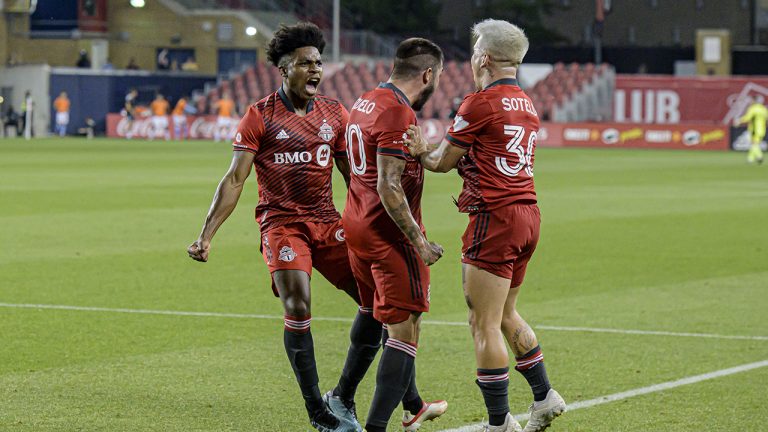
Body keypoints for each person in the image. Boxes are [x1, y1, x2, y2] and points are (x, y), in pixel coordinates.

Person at [187, 22, 361, 432]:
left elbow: (353, 175)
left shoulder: (336, 113)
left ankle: (354, 396)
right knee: (297, 303)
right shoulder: (260, 115)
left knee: (378, 301)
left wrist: (380, 222)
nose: (315, 70)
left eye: (319, 62)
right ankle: (316, 409)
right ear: (284, 70)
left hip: (327, 222)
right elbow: (234, 180)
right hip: (282, 225)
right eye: (305, 63)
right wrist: (206, 235)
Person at [404, 19, 566, 432]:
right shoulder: (526, 103)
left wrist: (420, 150)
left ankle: (499, 423)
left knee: (483, 322)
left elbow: (442, 161)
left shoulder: (479, 102)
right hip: (527, 214)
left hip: (495, 217)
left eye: (476, 48)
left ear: (485, 58)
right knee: (507, 313)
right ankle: (545, 396)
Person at [341, 38, 447, 432]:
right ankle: (376, 427)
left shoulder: (365, 100)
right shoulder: (398, 113)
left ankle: (413, 405)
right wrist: (419, 241)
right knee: (405, 327)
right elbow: (389, 184)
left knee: (375, 313)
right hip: (389, 236)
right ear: (428, 74)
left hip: (357, 225)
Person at [738, 95, 768, 164]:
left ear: (755, 101)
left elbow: (747, 118)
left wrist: (739, 121)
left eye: (752, 100)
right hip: (762, 129)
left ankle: (759, 156)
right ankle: (750, 159)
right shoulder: (763, 109)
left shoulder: (753, 108)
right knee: (754, 144)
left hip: (754, 129)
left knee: (754, 144)